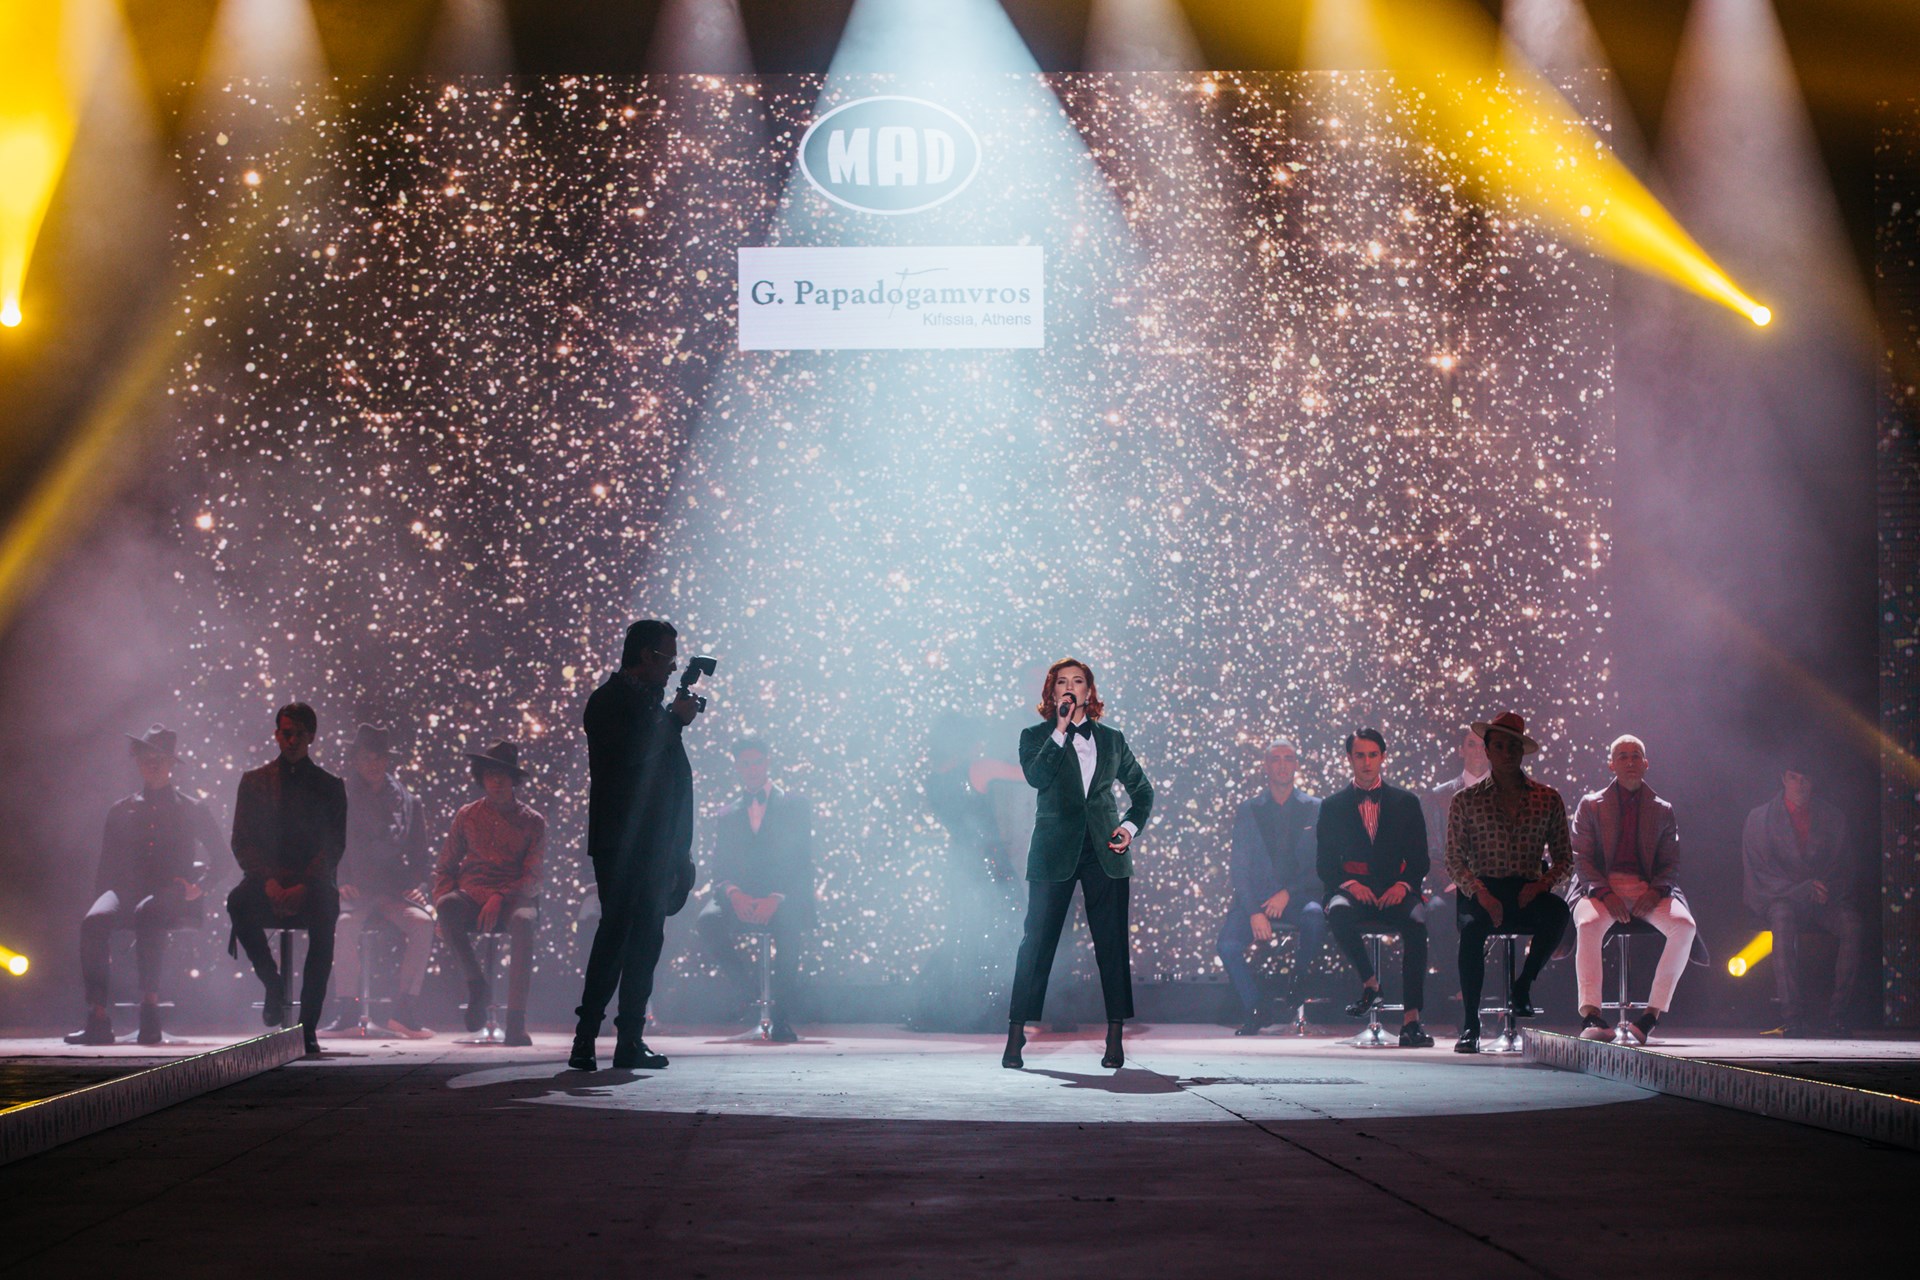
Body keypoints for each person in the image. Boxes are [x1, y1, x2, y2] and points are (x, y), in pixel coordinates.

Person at [1003, 658, 1154, 1071]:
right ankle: (1016, 1034)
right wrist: (1060, 729)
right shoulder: (1035, 736)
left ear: (1090, 691)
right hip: (1054, 851)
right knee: (1036, 942)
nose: (1070, 687)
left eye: (1078, 681)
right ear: (1053, 693)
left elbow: (1143, 791)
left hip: (1106, 849)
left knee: (1111, 944)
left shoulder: (1113, 739)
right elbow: (1037, 777)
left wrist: (1129, 828)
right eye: (1062, 682)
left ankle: (1115, 1036)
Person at [571, 619, 704, 1071]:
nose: (673, 668)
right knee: (616, 935)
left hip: (656, 846)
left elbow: (671, 783)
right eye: (668, 657)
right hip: (623, 844)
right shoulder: (608, 702)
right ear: (647, 655)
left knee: (646, 939)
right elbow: (630, 756)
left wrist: (680, 849)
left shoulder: (651, 705)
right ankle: (586, 1038)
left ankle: (629, 1038)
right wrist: (674, 722)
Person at [65, 726, 222, 1046]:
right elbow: (106, 865)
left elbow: (223, 858)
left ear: (171, 763)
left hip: (169, 890)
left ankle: (150, 1011)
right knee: (93, 922)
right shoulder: (121, 809)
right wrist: (102, 903)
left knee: (148, 912)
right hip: (126, 890)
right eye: (147, 756)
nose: (153, 763)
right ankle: (97, 1018)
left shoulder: (191, 808)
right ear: (137, 761)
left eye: (160, 757)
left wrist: (200, 886)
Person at [1445, 712, 1573, 1053]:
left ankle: (1523, 985)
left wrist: (1541, 884)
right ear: (1487, 751)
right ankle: (1471, 1024)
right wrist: (1481, 893)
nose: (1507, 753)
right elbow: (1454, 860)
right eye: (1499, 746)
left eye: (1513, 746)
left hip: (1527, 889)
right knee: (1471, 931)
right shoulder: (1465, 800)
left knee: (1559, 912)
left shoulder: (1547, 797)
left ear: (1522, 751)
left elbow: (1565, 859)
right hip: (1483, 889)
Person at [226, 702, 348, 1056]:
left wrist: (304, 885)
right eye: (286, 732)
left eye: (298, 734)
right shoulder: (254, 782)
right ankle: (273, 984)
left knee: (326, 913)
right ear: (277, 734)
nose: (291, 740)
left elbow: (334, 845)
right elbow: (241, 841)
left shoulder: (330, 786)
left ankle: (307, 1027)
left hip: (311, 885)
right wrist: (267, 881)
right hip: (267, 881)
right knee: (237, 902)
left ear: (311, 736)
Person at [1569, 735, 1697, 1043]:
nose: (1630, 762)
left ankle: (1650, 1016)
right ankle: (1592, 1015)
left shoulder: (1662, 809)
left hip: (1646, 887)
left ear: (1646, 763)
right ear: (1611, 765)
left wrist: (1655, 892)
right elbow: (1581, 859)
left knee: (1685, 926)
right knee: (1587, 924)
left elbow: (1670, 863)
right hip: (1599, 886)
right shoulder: (1591, 804)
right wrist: (1604, 893)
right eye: (1623, 756)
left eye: (1635, 756)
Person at [1316, 729, 1434, 1047]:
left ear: (1382, 757)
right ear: (1349, 759)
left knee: (1417, 923)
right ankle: (1371, 984)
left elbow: (1420, 860)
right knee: (1337, 911)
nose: (1366, 762)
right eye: (1360, 755)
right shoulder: (1332, 805)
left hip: (1395, 890)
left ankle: (1412, 1021)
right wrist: (1351, 885)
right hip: (1354, 892)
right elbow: (1324, 864)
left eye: (1372, 755)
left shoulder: (1406, 802)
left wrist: (1403, 885)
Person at [696, 738, 814, 1042]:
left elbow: (802, 860)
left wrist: (776, 897)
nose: (752, 769)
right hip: (742, 896)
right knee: (707, 921)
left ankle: (781, 1017)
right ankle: (750, 993)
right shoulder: (727, 812)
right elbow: (720, 866)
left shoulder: (795, 805)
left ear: (768, 762)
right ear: (737, 767)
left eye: (757, 762)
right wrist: (735, 894)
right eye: (745, 764)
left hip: (782, 894)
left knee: (790, 926)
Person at [328, 724, 435, 1038]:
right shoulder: (340, 797)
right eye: (366, 757)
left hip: (393, 891)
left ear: (387, 760)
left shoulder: (408, 801)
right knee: (345, 925)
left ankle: (404, 1011)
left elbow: (420, 857)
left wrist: (418, 886)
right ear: (355, 760)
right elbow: (327, 846)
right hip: (356, 890)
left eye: (379, 757)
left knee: (423, 924)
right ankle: (348, 1011)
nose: (373, 764)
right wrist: (339, 879)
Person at [435, 740, 545, 1046]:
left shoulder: (533, 821)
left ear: (514, 779)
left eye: (503, 774)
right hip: (472, 894)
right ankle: (477, 984)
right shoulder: (467, 815)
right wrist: (442, 909)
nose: (496, 780)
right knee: (446, 905)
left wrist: (501, 896)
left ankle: (516, 1022)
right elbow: (445, 866)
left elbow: (533, 876)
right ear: (481, 777)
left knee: (524, 920)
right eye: (490, 774)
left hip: (515, 898)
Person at [1742, 763, 1864, 1036]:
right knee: (1782, 918)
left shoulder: (1833, 817)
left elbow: (1845, 866)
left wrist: (1826, 888)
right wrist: (1800, 890)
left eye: (1805, 778)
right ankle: (1792, 1017)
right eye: (1794, 778)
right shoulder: (1760, 818)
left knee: (1852, 924)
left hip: (1823, 899)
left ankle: (1837, 1015)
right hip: (1782, 898)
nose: (1800, 785)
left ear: (1813, 781)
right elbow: (1760, 871)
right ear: (1783, 779)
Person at [1216, 739, 1325, 1035]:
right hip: (1258, 899)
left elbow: (1320, 865)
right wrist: (1254, 911)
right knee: (1227, 945)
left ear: (1296, 765)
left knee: (1315, 917)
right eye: (1276, 759)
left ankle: (1297, 981)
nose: (1282, 765)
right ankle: (1255, 1008)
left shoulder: (1315, 808)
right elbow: (1239, 867)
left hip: (1298, 896)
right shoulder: (1250, 809)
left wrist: (1288, 893)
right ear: (1266, 766)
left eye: (1288, 758)